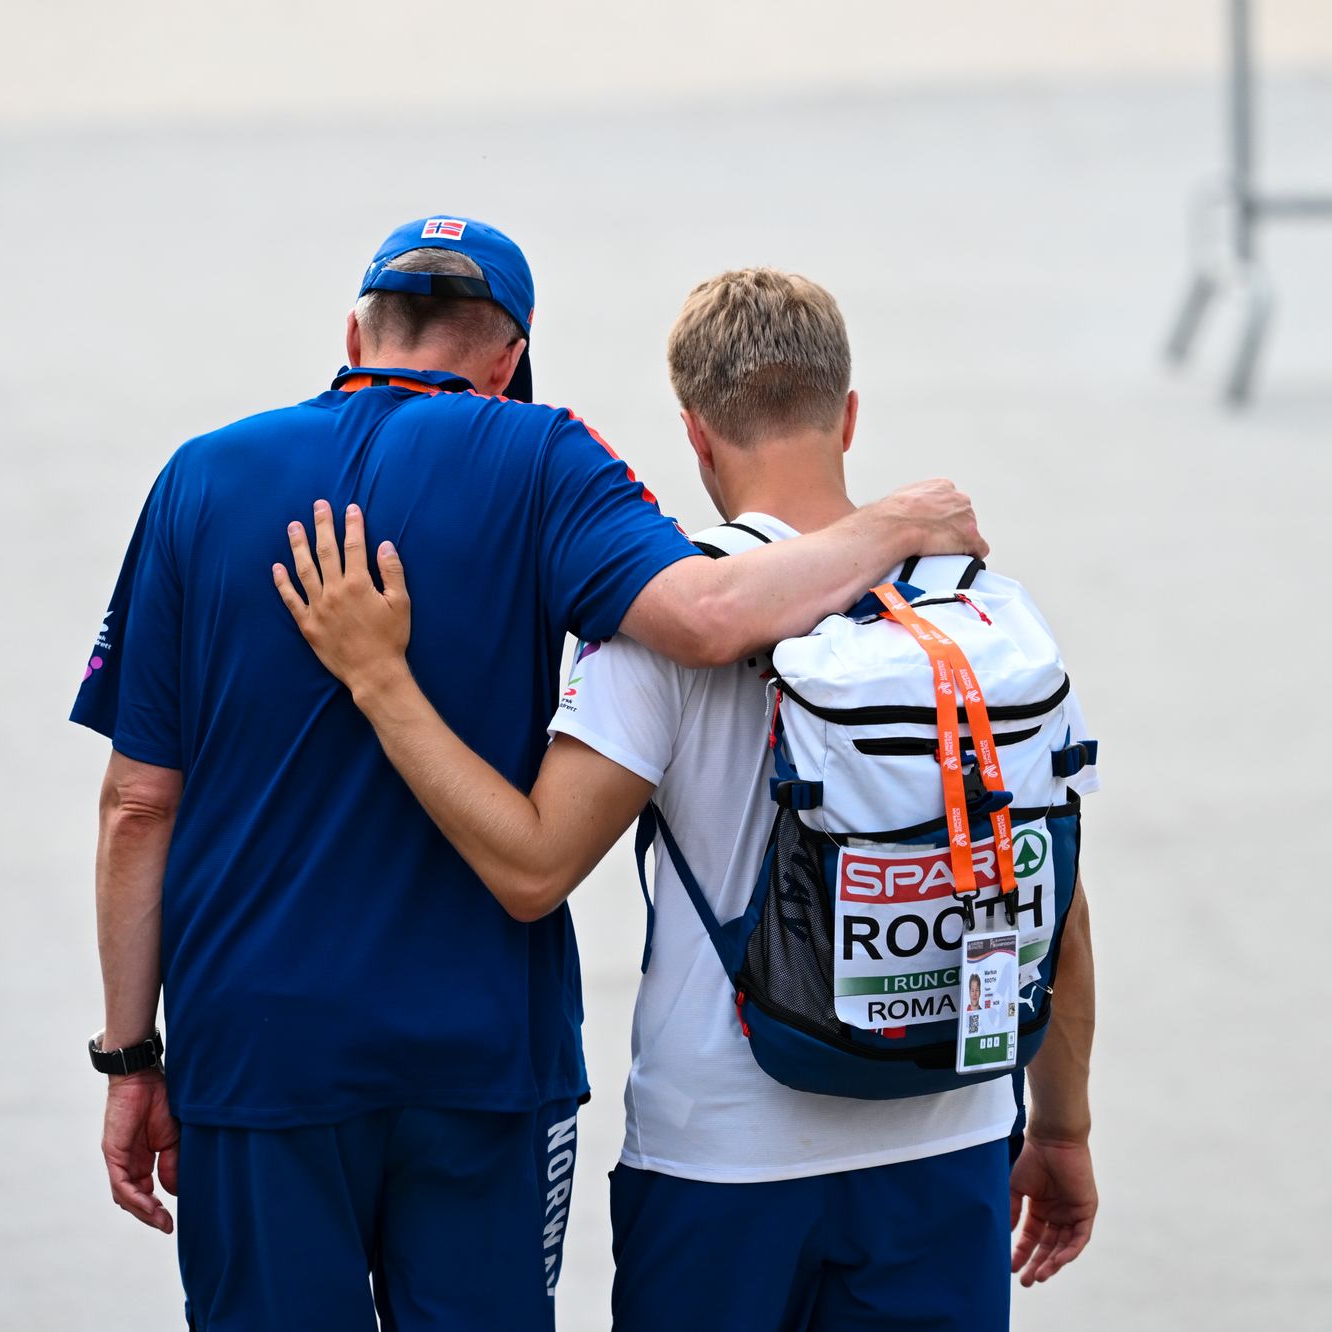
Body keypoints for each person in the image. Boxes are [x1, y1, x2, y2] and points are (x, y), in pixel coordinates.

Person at [71, 218, 987, 1330]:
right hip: (483, 1054)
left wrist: (131, 1056)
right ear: (508, 359)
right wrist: (893, 523)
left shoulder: (200, 478)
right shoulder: (543, 453)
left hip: (260, 1054)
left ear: (354, 334)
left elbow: (137, 805)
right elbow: (708, 616)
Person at [275, 268, 1098, 1331]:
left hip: (722, 1160)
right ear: (847, 414)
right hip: (951, 1142)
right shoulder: (983, 614)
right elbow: (1052, 897)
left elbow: (530, 868)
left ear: (695, 434)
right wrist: (1062, 1130)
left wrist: (382, 683)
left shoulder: (664, 625)